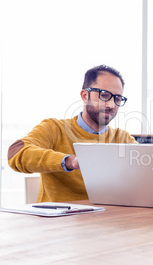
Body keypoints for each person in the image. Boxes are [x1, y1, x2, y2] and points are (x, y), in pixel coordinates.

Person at [8, 65, 137, 202]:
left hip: (107, 219)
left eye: (117, 99)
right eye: (104, 95)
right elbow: (16, 152)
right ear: (85, 95)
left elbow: (147, 174)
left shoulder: (123, 139)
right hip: (59, 220)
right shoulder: (54, 129)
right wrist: (70, 161)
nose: (111, 105)